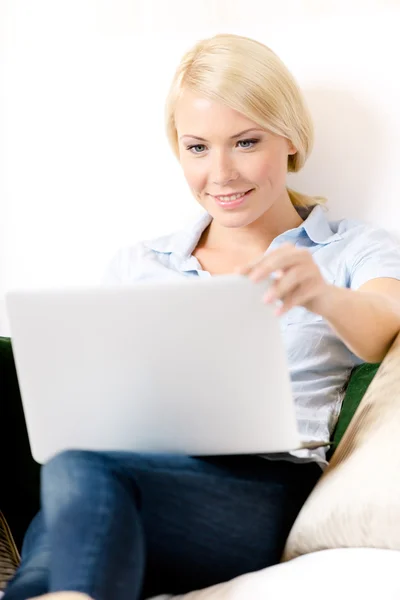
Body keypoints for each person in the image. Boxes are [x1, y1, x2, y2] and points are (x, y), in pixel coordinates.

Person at [5, 33, 400, 600]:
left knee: (83, 475)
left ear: (289, 138)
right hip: (132, 478)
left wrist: (321, 295)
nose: (221, 173)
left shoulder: (349, 249)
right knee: (66, 522)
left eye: (245, 142)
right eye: (197, 148)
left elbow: (385, 325)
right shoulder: (140, 263)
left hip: (263, 490)